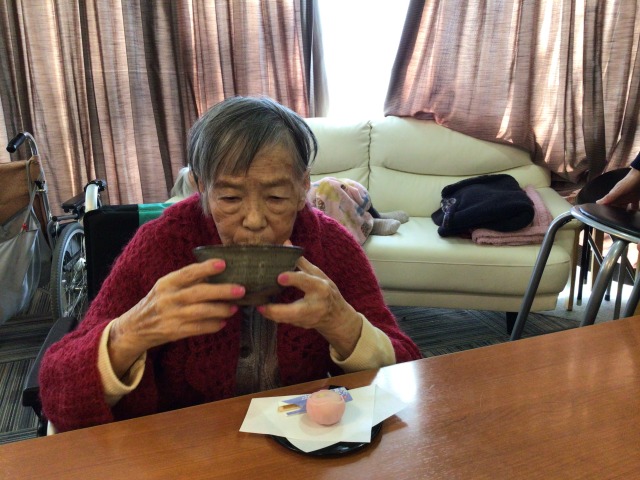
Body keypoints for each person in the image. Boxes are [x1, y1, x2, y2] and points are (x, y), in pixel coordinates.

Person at [39, 96, 422, 432]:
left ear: (303, 186)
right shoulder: (162, 245)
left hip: (299, 446)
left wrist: (344, 324)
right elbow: (58, 394)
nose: (254, 220)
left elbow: (406, 375)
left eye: (275, 197)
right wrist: (129, 333)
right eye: (230, 198)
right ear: (202, 187)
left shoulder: (331, 245)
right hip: (186, 450)